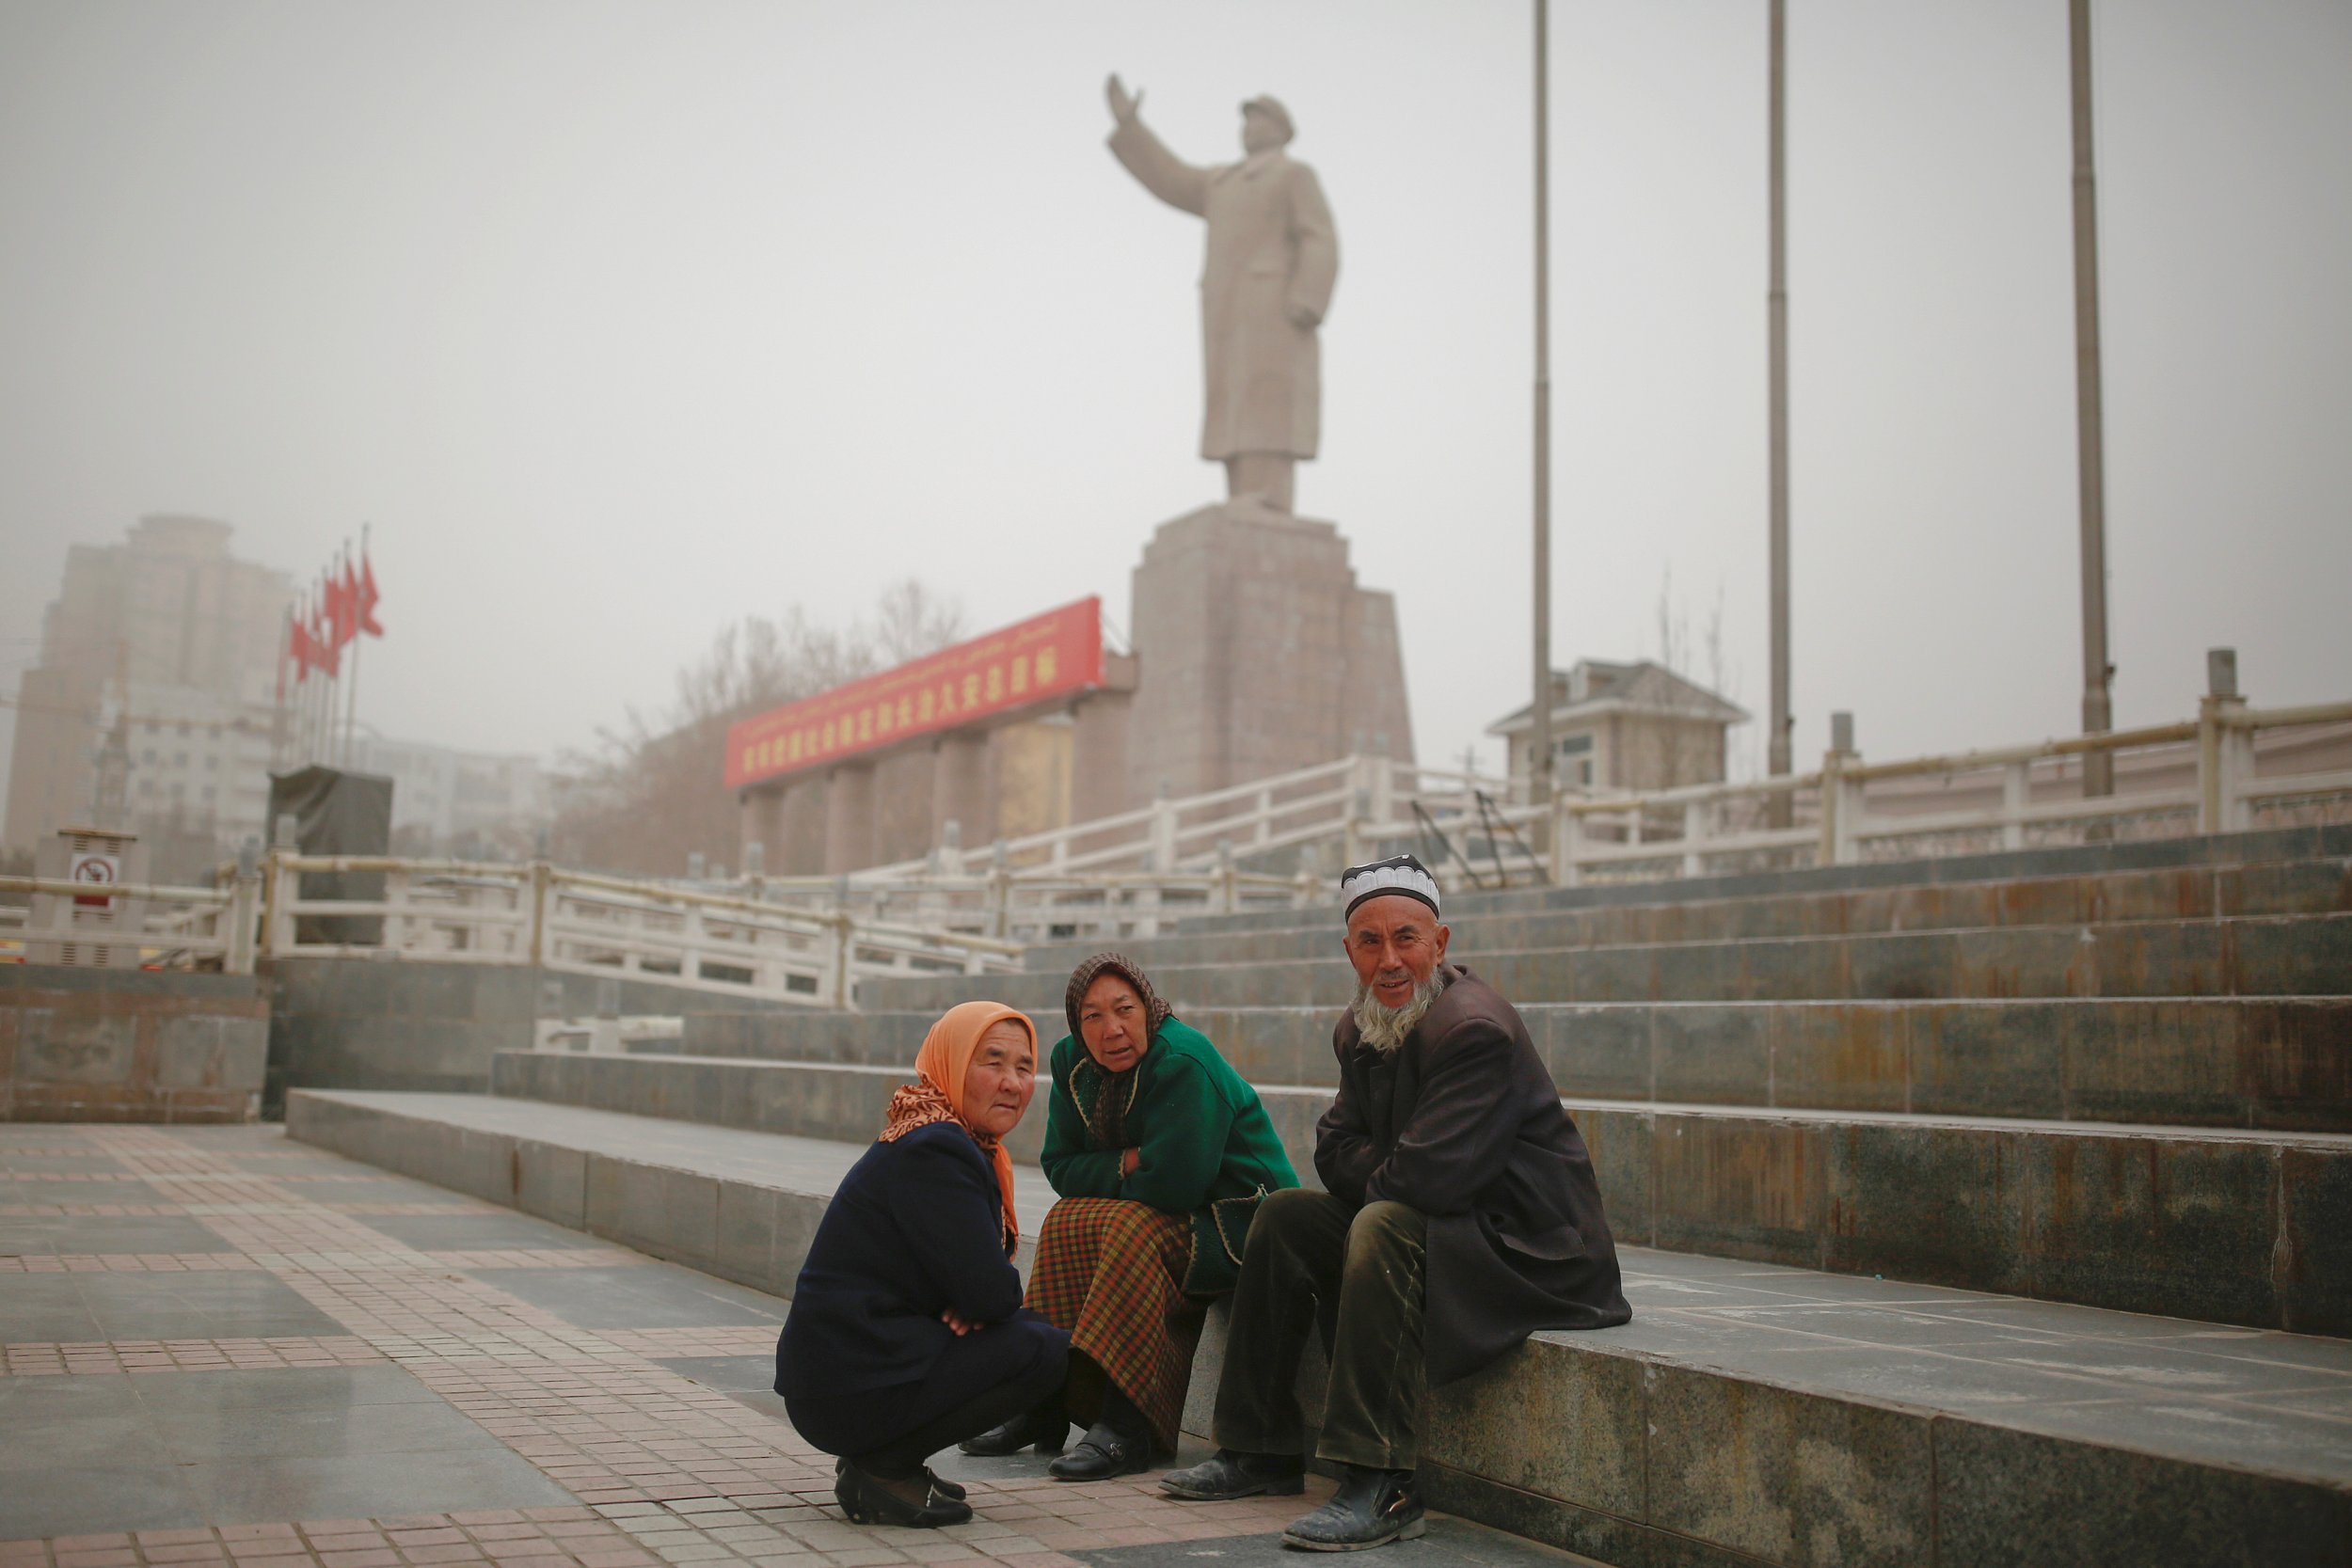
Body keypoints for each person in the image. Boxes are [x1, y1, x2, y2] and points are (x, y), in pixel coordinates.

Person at [1160, 855, 1632, 1551]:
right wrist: (1389, 1167)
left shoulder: (1475, 1027)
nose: (1389, 959)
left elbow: (1428, 1182)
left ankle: (1383, 1480)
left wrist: (1382, 1170)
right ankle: (1258, 1449)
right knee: (1287, 1214)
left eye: (1406, 938)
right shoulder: (1361, 1026)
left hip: (1531, 1246)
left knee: (1381, 1223)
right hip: (1448, 1220)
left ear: (1440, 944)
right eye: (1369, 941)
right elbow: (1333, 1148)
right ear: (1348, 950)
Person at [961, 952, 1299, 1481]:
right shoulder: (1070, 1062)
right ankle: (1041, 1401)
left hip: (1243, 1223)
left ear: (1149, 1007)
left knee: (1129, 1225)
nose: (1111, 1029)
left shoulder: (1184, 1060)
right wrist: (1130, 1159)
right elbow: (1059, 1166)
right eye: (1092, 1016)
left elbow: (1175, 1185)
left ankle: (1128, 1423)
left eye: (1124, 1009)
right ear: (1077, 1023)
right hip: (1172, 1210)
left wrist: (1127, 1171)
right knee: (1065, 1219)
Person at [773, 1001, 1068, 1529]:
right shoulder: (937, 1149)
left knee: (1032, 1330)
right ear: (951, 1063)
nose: (1011, 1082)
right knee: (1042, 1352)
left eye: (1024, 1068)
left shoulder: (936, 1134)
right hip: (844, 1384)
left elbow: (981, 1291)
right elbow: (993, 1295)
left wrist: (975, 1301)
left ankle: (888, 1456)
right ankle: (882, 1467)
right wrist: (973, 1302)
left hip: (848, 1369)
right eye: (992, 1061)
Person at [1104, 73, 1338, 514]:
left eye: (1259, 120)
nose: (1249, 128)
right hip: (1227, 310)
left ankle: (1270, 495)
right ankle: (1241, 495)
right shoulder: (1221, 183)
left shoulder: (1293, 175)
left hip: (1275, 307)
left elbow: (1320, 237)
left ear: (1282, 130)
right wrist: (1131, 128)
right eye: (1245, 121)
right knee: (1233, 403)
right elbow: (1170, 178)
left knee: (1268, 400)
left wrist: (1309, 297)